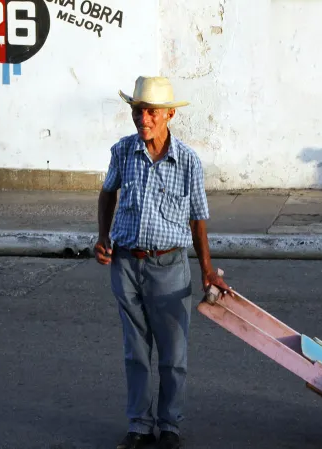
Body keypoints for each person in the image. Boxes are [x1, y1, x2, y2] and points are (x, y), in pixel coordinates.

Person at [94, 76, 231, 449]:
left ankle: (169, 426)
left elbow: (198, 219)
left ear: (169, 114)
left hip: (169, 267)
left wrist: (206, 271)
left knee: (173, 354)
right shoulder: (123, 152)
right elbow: (107, 193)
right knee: (135, 351)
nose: (144, 119)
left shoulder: (187, 161)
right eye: (139, 111)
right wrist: (103, 237)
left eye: (152, 112)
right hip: (126, 264)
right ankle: (139, 426)